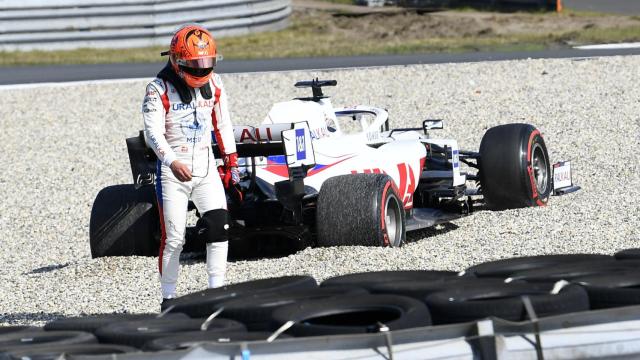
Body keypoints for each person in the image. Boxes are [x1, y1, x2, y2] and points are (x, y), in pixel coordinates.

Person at [142, 24, 238, 301]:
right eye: (195, 65)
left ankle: (216, 293)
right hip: (174, 171)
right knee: (174, 239)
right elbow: (153, 134)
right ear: (177, 60)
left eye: (206, 63)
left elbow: (223, 124)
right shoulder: (156, 89)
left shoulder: (216, 83)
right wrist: (172, 162)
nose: (201, 70)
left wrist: (231, 162)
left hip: (206, 167)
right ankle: (169, 298)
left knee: (221, 227)